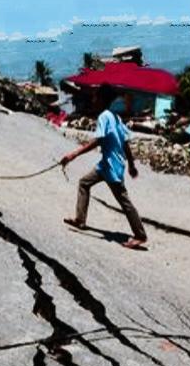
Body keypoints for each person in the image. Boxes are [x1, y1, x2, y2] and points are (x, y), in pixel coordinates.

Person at [60, 84, 148, 250]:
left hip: (111, 166)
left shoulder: (103, 117)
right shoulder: (115, 117)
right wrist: (131, 164)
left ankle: (140, 235)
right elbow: (125, 142)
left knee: (124, 200)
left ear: (101, 99)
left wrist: (74, 154)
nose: (93, 100)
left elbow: (98, 140)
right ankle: (80, 219)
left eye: (95, 97)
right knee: (84, 183)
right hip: (107, 165)